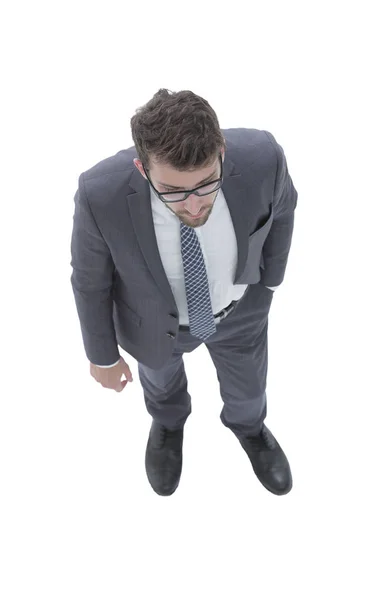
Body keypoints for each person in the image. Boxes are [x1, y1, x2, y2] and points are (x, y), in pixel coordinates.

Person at [70, 88, 298, 497]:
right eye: (174, 192)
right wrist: (101, 355)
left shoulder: (264, 156)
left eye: (207, 183)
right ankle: (169, 424)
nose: (193, 206)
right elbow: (90, 281)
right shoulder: (98, 194)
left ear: (222, 152)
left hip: (240, 311)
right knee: (159, 383)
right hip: (153, 325)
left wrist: (269, 281)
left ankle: (249, 427)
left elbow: (283, 208)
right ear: (143, 169)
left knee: (249, 386)